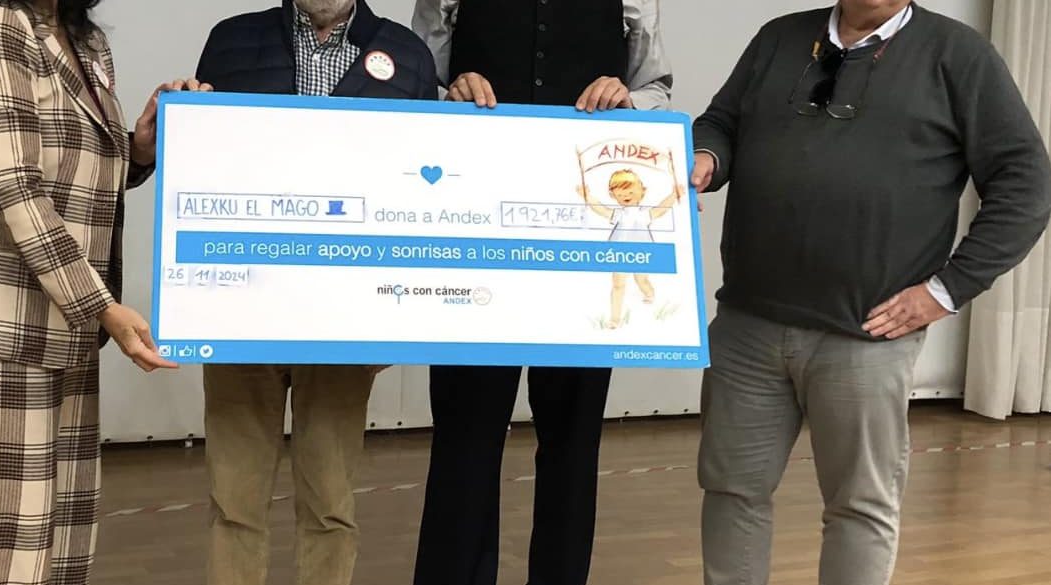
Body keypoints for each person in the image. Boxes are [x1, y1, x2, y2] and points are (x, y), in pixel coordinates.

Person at [689, 2, 1051, 584]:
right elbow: (721, 122)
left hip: (866, 336)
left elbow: (1025, 181)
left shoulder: (959, 55)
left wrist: (947, 290)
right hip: (747, 325)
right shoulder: (779, 37)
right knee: (730, 490)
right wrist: (708, 155)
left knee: (859, 506)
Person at [0, 1, 208, 584]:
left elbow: (77, 168)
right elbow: (14, 186)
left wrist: (139, 148)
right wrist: (103, 307)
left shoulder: (84, 41)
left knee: (61, 533)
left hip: (62, 319)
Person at [410, 1, 672, 584]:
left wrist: (628, 99)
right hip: (475, 235)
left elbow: (656, 87)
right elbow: (416, 79)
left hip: (582, 247)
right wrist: (449, 93)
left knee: (573, 441)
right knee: (464, 436)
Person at [192, 2, 436, 584]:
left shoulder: (407, 54)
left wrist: (397, 317)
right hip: (242, 315)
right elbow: (200, 165)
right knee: (234, 502)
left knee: (330, 504)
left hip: (342, 324)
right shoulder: (231, 40)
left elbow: (422, 198)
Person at [580, 166, 684, 328]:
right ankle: (615, 318)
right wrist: (587, 196)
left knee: (641, 279)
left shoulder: (644, 214)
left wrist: (674, 195)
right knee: (618, 284)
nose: (626, 196)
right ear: (613, 195)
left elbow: (660, 209)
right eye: (620, 194)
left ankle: (649, 293)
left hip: (642, 252)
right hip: (620, 252)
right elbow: (600, 209)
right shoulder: (619, 214)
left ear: (643, 191)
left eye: (630, 192)